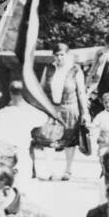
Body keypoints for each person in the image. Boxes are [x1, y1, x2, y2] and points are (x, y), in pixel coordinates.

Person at [37, 42, 90, 180]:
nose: (59, 57)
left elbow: (81, 92)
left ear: (68, 55)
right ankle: (50, 171)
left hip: (70, 108)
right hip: (51, 109)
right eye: (57, 55)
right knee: (48, 139)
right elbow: (41, 89)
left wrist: (85, 112)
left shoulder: (75, 70)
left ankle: (68, 170)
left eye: (62, 54)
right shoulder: (48, 69)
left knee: (69, 140)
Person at [0, 80, 46, 186]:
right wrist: (27, 104)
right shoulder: (28, 112)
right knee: (23, 186)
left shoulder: (2, 113)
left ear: (10, 93)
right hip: (21, 154)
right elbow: (44, 118)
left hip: (5, 154)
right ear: (23, 94)